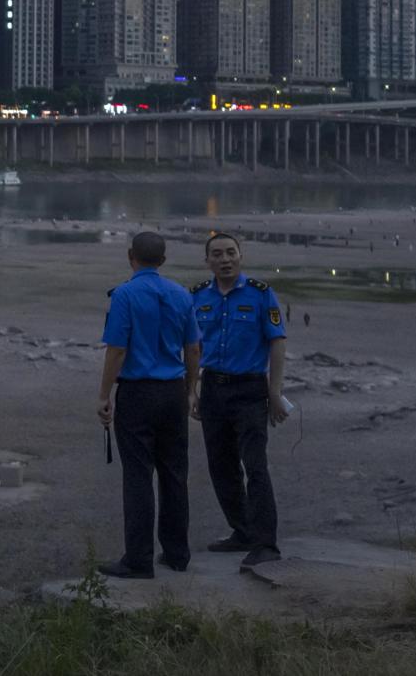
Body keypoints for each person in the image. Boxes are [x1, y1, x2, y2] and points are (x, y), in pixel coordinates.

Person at [97, 230, 200, 579]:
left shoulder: (125, 294)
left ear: (131, 256)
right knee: (174, 474)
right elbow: (193, 348)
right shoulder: (182, 294)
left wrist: (103, 395)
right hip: (172, 389)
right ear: (164, 260)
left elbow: (117, 349)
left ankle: (138, 558)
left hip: (139, 392)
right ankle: (177, 553)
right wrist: (190, 389)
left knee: (139, 476)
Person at [190, 232, 288, 569]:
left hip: (249, 390)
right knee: (221, 466)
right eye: (217, 254)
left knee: (255, 466)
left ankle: (265, 543)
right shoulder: (198, 296)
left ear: (241, 256)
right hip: (213, 390)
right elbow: (192, 348)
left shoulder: (261, 295)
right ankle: (242, 531)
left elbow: (277, 343)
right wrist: (192, 390)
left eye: (231, 253)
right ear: (208, 261)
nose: (225, 259)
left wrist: (274, 392)